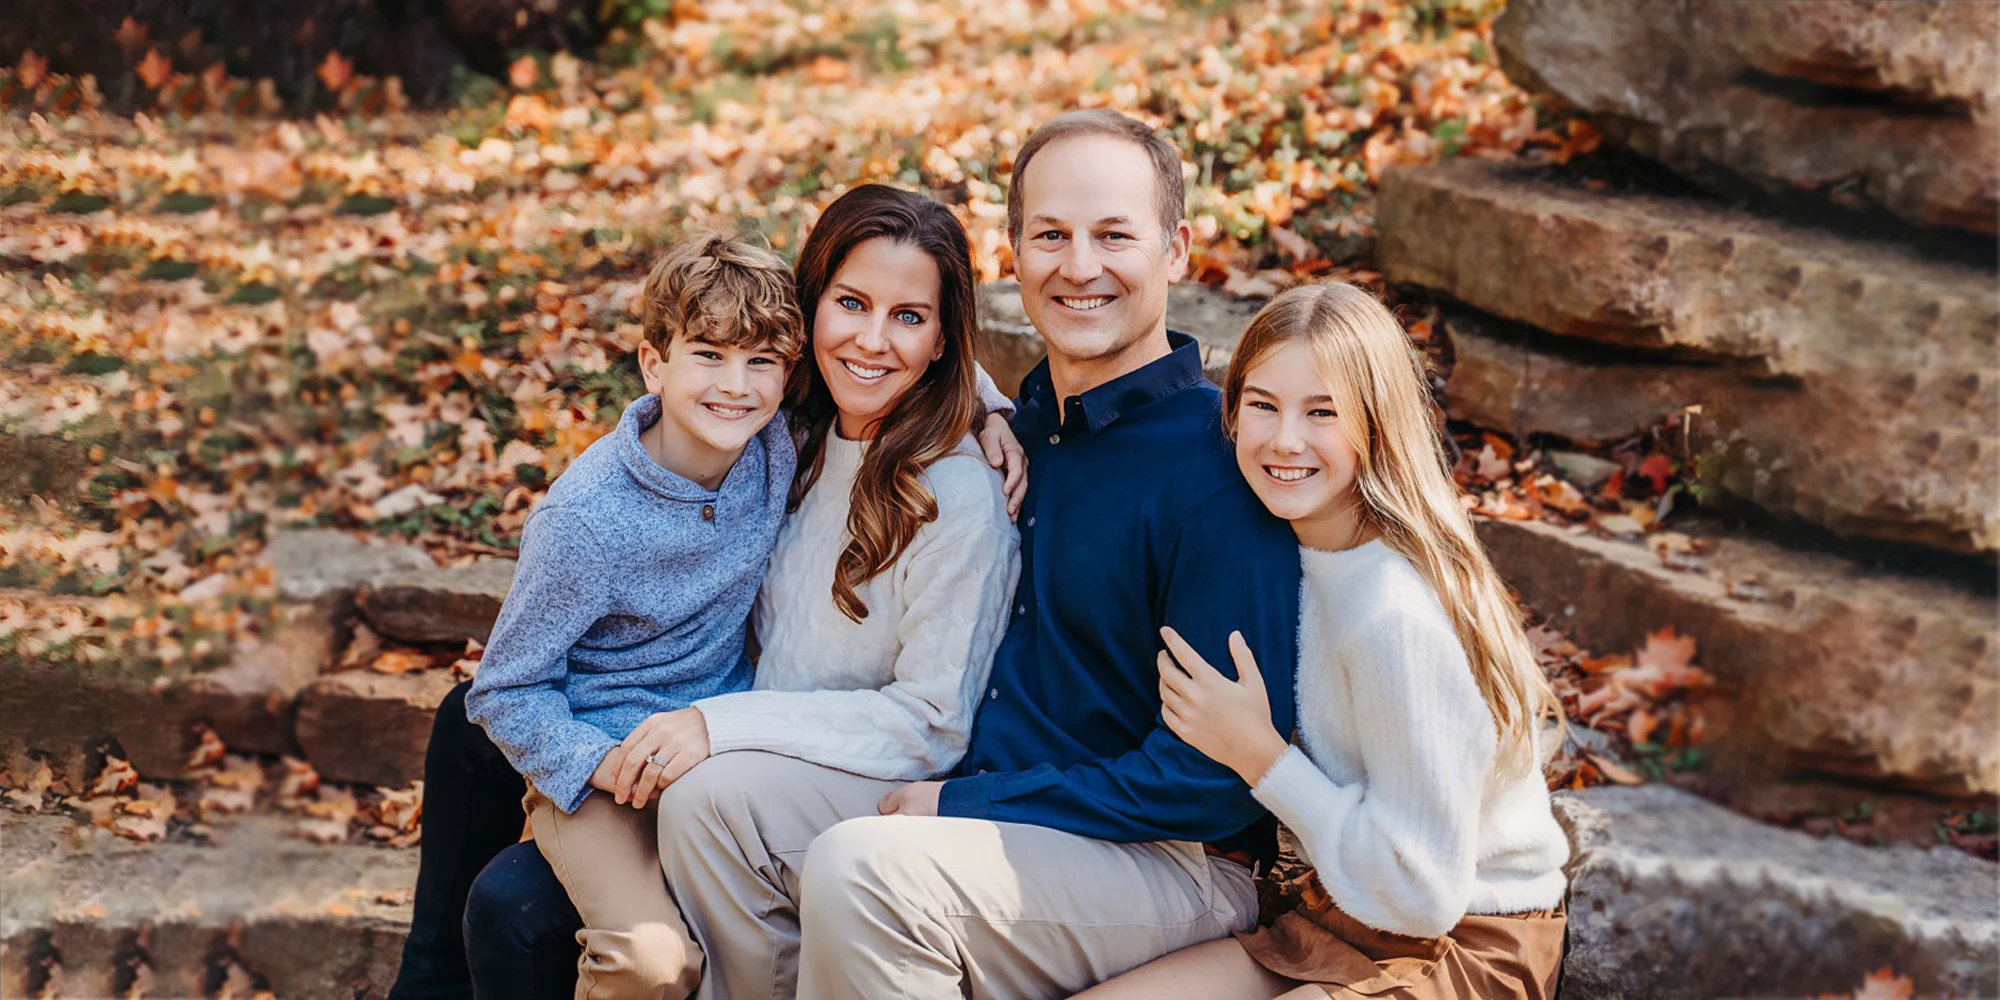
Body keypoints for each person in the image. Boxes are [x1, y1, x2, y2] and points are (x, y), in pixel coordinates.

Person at [646, 108, 1303, 1000]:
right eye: (1051, 235)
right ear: (1014, 252)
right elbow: (936, 371)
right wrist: (992, 413)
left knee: (864, 870)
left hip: (1161, 859)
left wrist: (965, 805)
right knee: (710, 806)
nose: (1079, 266)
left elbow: (1208, 786)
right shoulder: (1028, 426)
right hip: (989, 808)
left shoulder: (1218, 470)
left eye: (1114, 236)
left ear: (1177, 249)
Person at [386, 222, 1024, 1000]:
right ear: (653, 362)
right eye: (709, 358)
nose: (736, 383)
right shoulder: (585, 521)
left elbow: (887, 351)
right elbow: (503, 691)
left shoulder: (776, 441)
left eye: (761, 363)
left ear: (787, 370)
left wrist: (992, 409)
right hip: (605, 765)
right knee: (648, 962)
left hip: (716, 757)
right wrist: (596, 767)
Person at [1075, 281, 1571, 1000]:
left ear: (1377, 425)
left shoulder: (1391, 614)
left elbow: (1420, 892)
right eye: (1263, 405)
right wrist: (994, 422)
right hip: (1332, 908)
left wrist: (1261, 756)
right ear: (1232, 411)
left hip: (1466, 935)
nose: (1285, 440)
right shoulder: (1278, 548)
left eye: (1322, 413)